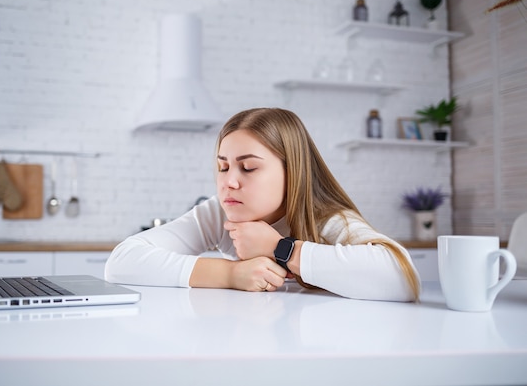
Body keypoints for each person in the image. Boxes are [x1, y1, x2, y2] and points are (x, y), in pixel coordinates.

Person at [105, 108, 420, 301]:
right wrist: (230, 275)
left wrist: (282, 249)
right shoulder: (219, 212)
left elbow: (404, 281)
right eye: (223, 166)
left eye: (249, 167)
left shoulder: (327, 217)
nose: (230, 181)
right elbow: (121, 262)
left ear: (292, 171)